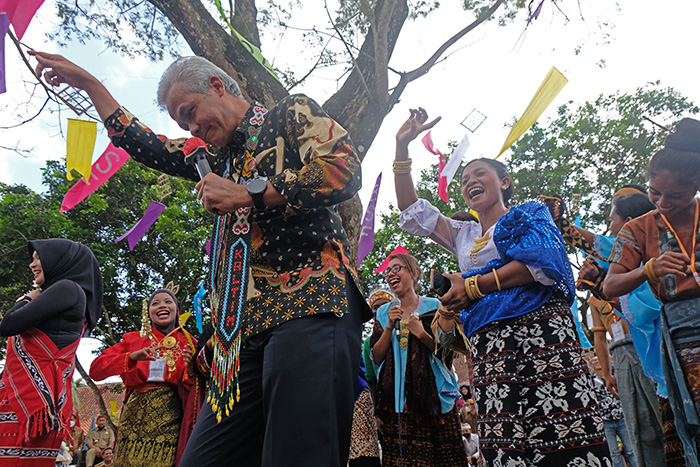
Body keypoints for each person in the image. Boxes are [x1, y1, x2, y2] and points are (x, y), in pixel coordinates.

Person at [30, 51, 368, 467]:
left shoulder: (290, 114)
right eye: (183, 124)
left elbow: (344, 166)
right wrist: (92, 86)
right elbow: (146, 144)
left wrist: (251, 193)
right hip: (240, 334)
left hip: (310, 304)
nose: (192, 128)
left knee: (298, 453)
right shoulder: (213, 159)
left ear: (216, 85)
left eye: (190, 113)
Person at [393, 108, 611, 465]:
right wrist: (402, 147)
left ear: (504, 182)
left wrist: (473, 286)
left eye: (480, 173)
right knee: (506, 431)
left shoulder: (529, 214)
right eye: (464, 180)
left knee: (562, 425)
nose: (469, 182)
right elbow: (413, 211)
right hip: (490, 343)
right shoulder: (464, 234)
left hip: (541, 334)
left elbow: (542, 263)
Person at [544, 189, 666, 467]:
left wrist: (565, 226)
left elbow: (591, 242)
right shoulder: (623, 264)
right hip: (630, 353)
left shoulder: (645, 245)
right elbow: (617, 313)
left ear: (632, 223)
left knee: (670, 421)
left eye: (613, 220)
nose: (610, 227)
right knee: (644, 430)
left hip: (660, 346)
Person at [604, 118, 700, 467]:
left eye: (677, 195)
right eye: (654, 192)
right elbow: (609, 285)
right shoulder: (638, 228)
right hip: (681, 340)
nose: (663, 202)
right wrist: (649, 269)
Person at [0, 239, 103, 466]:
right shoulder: (70, 295)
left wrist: (28, 297)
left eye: (38, 258)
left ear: (60, 260)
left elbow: (7, 324)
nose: (32, 265)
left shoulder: (67, 288)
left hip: (29, 402)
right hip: (34, 401)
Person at [370, 253, 467, 467]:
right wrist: (388, 326)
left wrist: (420, 333)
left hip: (434, 400)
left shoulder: (435, 306)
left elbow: (448, 353)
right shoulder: (384, 312)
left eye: (398, 268)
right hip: (398, 404)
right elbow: (376, 356)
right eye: (388, 271)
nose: (391, 274)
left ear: (414, 274)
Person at [89, 288, 205, 467]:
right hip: (133, 418)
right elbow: (96, 370)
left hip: (170, 418)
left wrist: (191, 369)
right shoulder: (132, 340)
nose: (162, 306)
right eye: (155, 303)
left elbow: (198, 386)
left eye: (168, 301)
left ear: (176, 309)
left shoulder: (188, 342)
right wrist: (132, 357)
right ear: (148, 312)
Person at [590, 355, 638, 467]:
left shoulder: (614, 375)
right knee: (613, 452)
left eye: (598, 359)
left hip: (621, 417)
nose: (597, 362)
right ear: (590, 365)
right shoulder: (590, 381)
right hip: (605, 421)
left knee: (631, 450)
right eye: (594, 361)